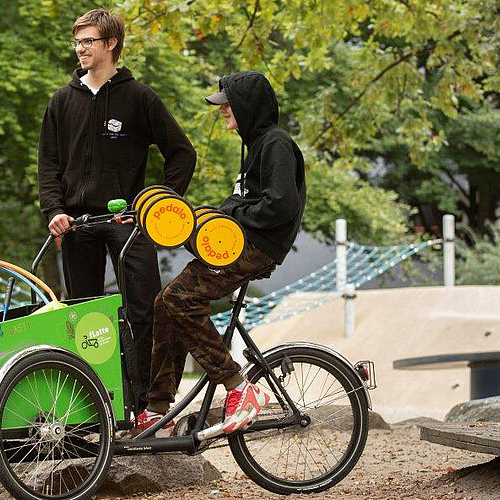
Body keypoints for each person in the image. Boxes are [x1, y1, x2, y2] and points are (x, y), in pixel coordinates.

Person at [38, 9, 197, 412]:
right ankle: (93, 408)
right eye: (77, 41)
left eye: (88, 41)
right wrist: (54, 209)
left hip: (129, 223)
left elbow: (182, 154)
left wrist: (157, 208)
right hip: (76, 224)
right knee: (82, 317)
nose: (80, 48)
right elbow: (48, 165)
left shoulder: (139, 97)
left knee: (145, 311)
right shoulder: (61, 101)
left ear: (111, 44)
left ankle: (147, 406)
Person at [135, 71, 307, 435]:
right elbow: (244, 201)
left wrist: (233, 213)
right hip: (239, 242)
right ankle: (157, 410)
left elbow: (281, 205)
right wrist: (216, 214)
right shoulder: (256, 145)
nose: (223, 110)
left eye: (228, 105)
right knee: (165, 302)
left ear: (248, 106)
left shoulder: (275, 143)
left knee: (181, 299)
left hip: (258, 247)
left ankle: (238, 385)